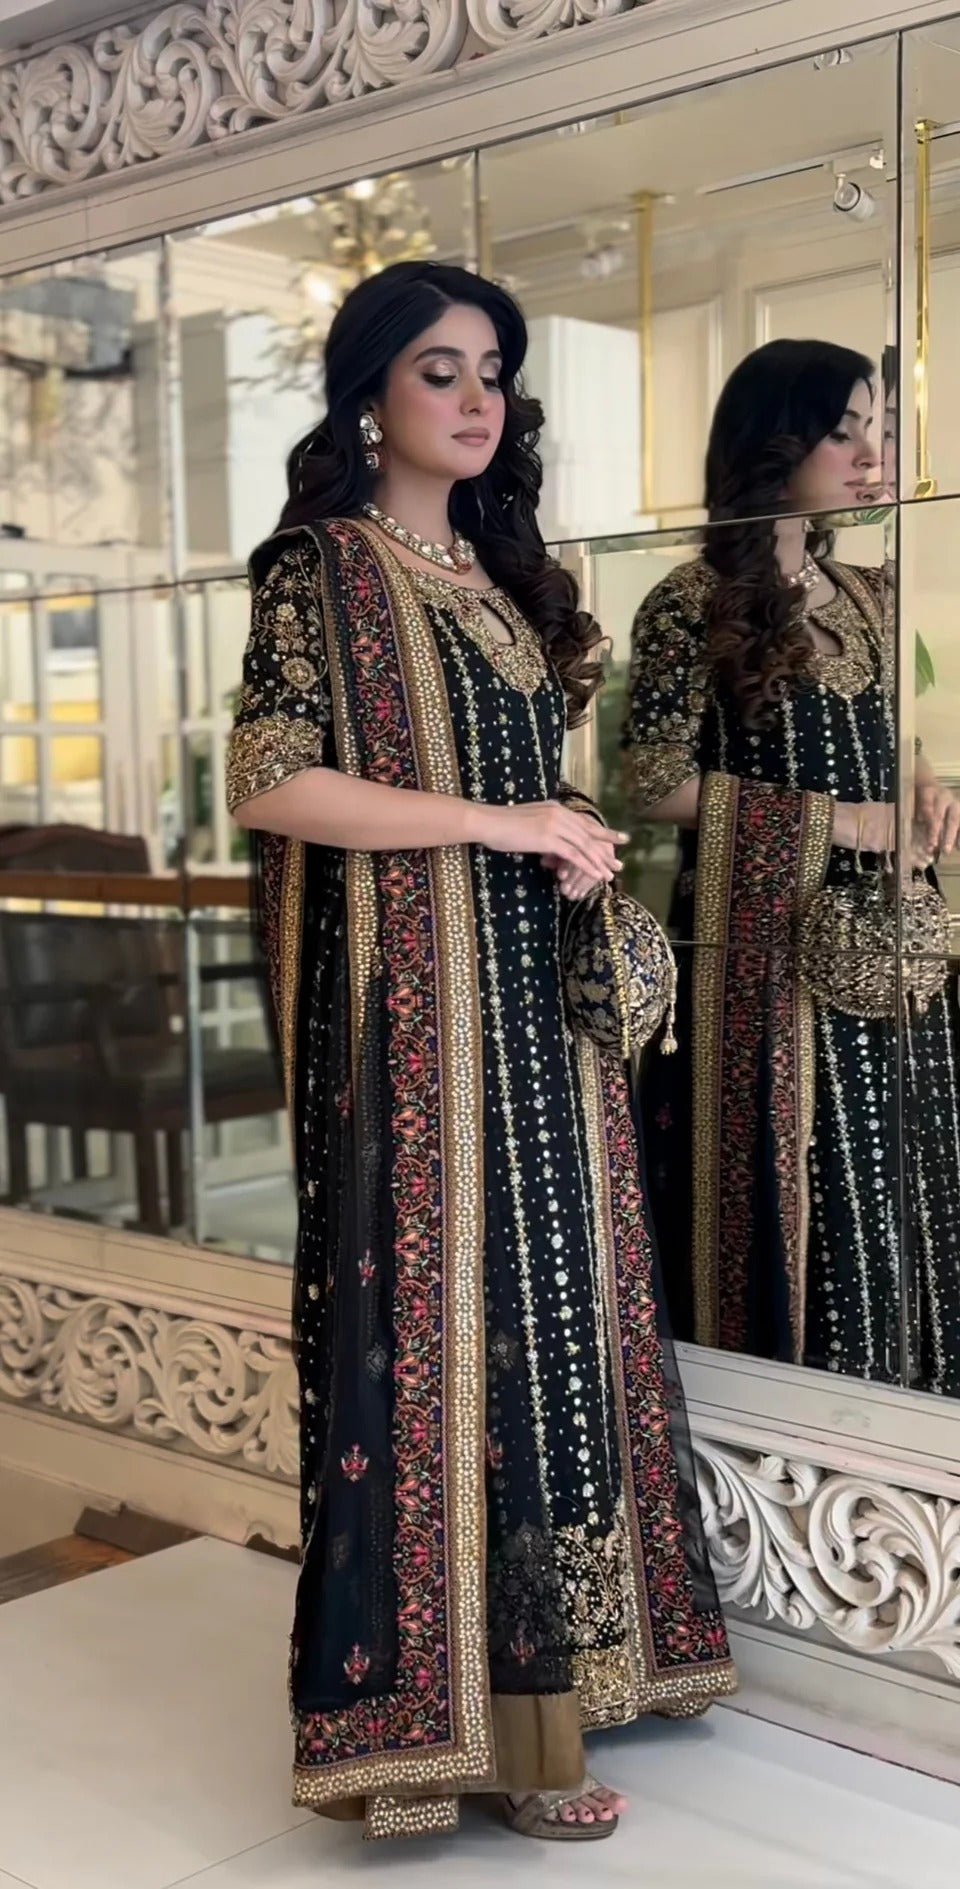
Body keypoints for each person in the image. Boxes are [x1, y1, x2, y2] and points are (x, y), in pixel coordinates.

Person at [226, 261, 734, 1844]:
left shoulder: (504, 580)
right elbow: (270, 778)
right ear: (371, 394)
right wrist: (499, 823)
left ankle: (558, 1691)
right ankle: (445, 1730)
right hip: (416, 1024)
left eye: (493, 371)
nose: (475, 398)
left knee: (555, 1324)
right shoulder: (323, 566)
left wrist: (564, 834)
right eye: (439, 369)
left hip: (536, 1016)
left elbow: (521, 784)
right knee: (447, 1333)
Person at [624, 338, 960, 1392]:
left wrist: (926, 784)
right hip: (760, 960)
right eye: (843, 431)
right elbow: (651, 779)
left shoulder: (872, 594)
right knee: (800, 1189)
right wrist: (847, 823)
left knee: (904, 1173)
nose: (872, 455)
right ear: (777, 445)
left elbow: (898, 735)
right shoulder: (690, 599)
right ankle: (788, 1430)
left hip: (889, 952)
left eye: (879, 430)